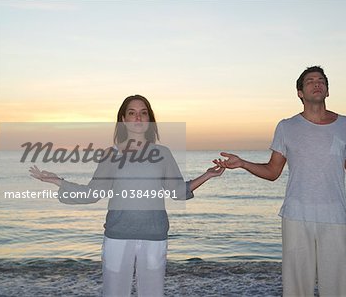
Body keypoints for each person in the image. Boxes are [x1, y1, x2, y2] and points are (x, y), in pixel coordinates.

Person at [214, 66, 346, 296]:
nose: (317, 83)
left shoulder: (345, 124)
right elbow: (272, 171)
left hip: (334, 214)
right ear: (299, 92)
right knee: (296, 287)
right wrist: (244, 164)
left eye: (321, 81)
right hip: (296, 215)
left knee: (337, 286)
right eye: (310, 81)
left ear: (327, 91)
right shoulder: (287, 127)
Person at [30, 95, 224, 297]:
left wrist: (207, 175)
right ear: (123, 119)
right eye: (132, 113)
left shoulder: (163, 153)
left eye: (143, 113)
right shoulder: (110, 154)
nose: (138, 118)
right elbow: (93, 193)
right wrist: (58, 181)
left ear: (149, 119)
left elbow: (177, 191)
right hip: (117, 236)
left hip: (154, 236)